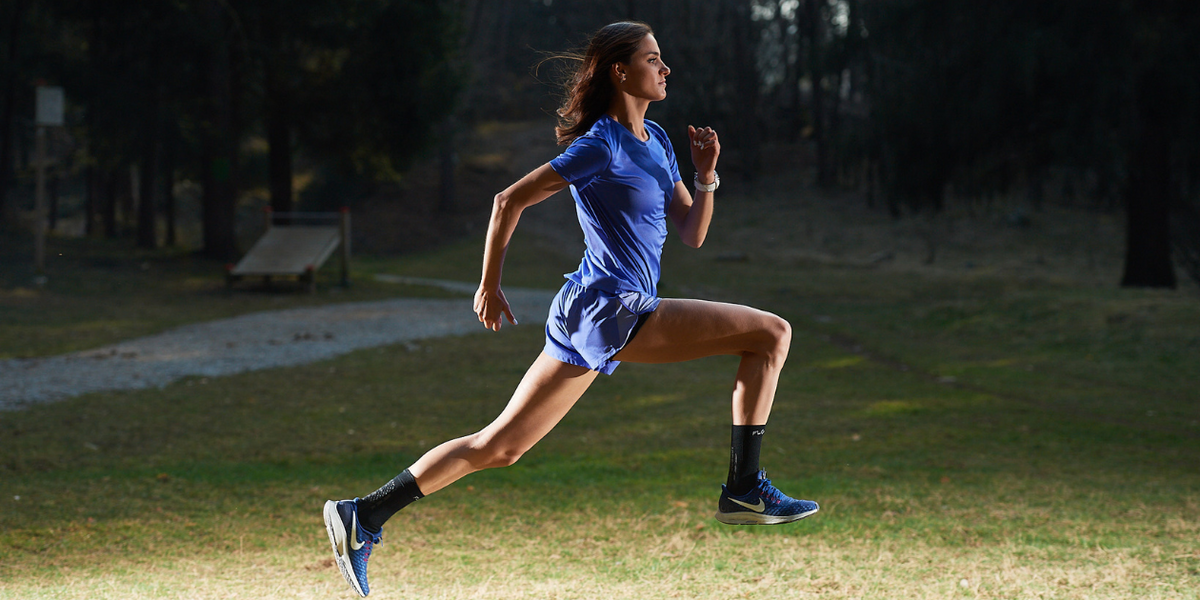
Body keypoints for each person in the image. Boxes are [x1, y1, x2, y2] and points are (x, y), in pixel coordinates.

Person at [323, 21, 818, 597]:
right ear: (620, 71)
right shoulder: (600, 144)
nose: (665, 69)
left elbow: (692, 232)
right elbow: (508, 201)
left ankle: (364, 514)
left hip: (592, 311)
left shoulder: (658, 140)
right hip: (611, 306)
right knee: (771, 333)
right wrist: (489, 284)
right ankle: (745, 487)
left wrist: (706, 175)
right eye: (652, 59)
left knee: (500, 447)